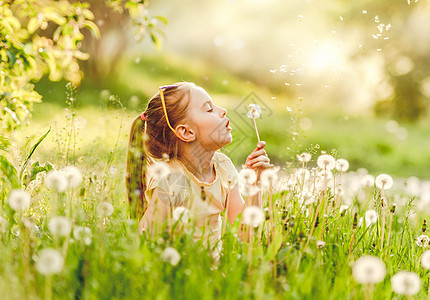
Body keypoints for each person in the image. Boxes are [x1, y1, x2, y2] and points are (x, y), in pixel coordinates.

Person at [125, 82, 272, 260]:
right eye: (209, 109)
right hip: (181, 277)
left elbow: (245, 237)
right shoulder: (173, 181)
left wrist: (255, 183)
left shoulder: (223, 166)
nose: (223, 110)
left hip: (215, 276)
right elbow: (143, 242)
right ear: (186, 132)